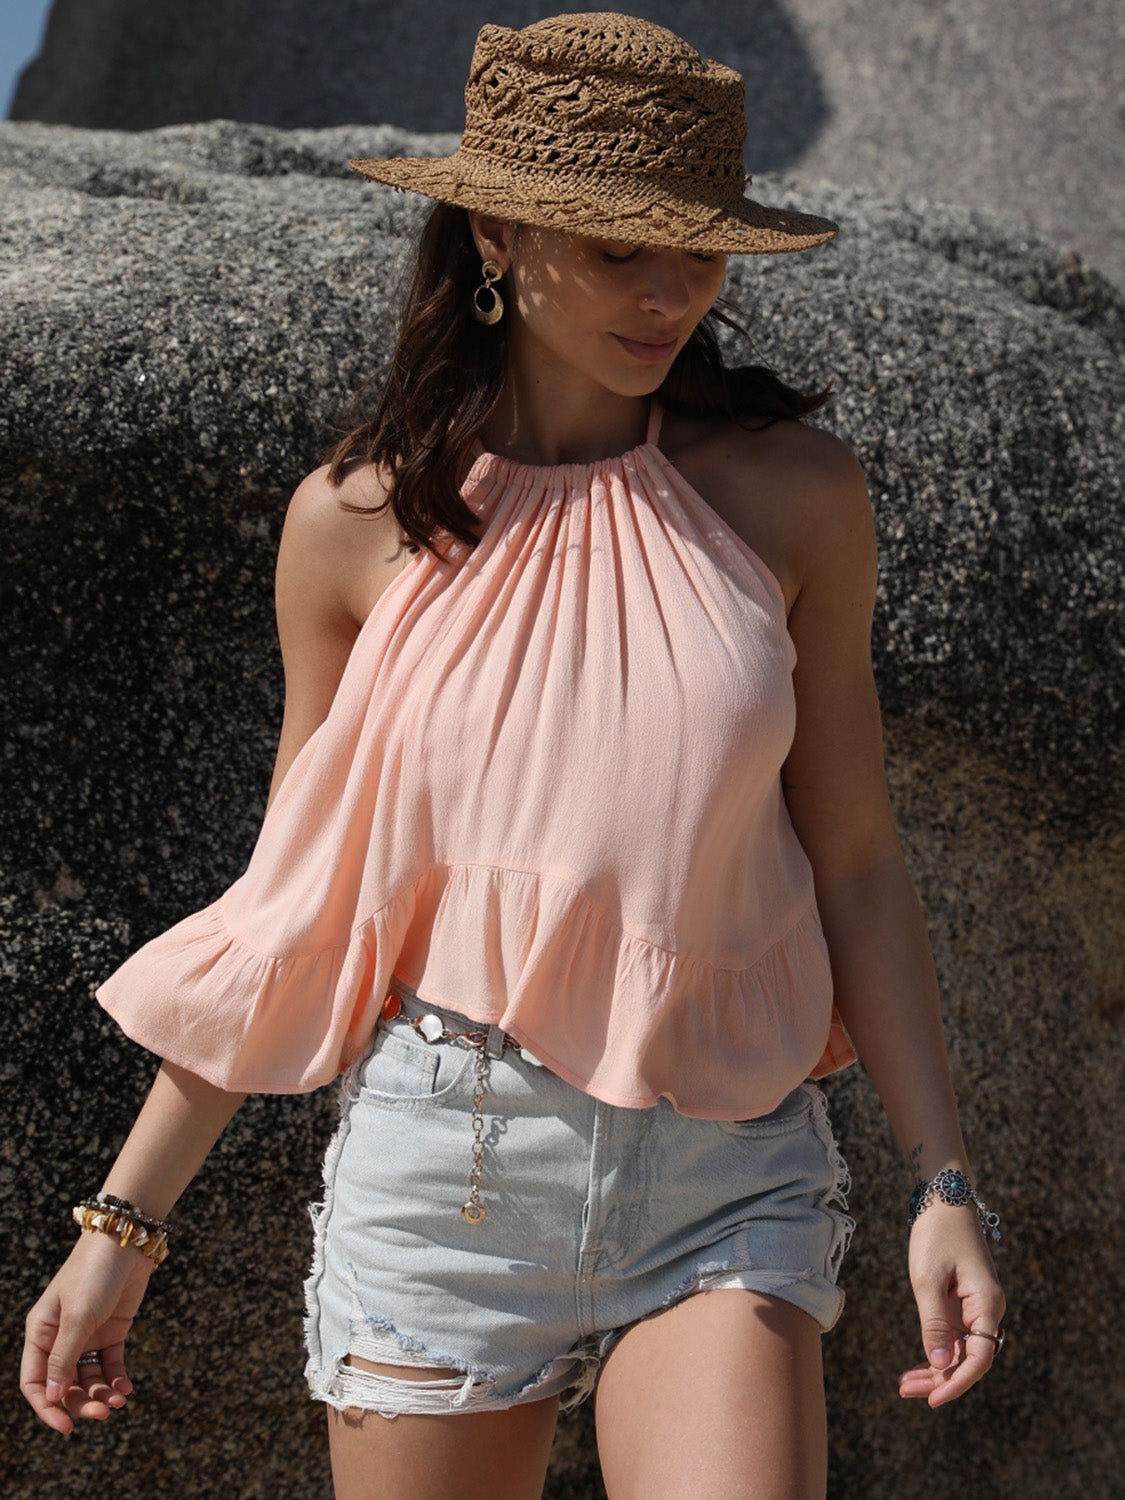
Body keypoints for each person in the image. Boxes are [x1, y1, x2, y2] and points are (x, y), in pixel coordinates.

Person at [21, 12, 1005, 1498]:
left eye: (700, 250)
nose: (670, 292)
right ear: (496, 229)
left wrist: (942, 1182)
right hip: (446, 1179)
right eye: (619, 249)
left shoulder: (792, 497)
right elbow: (293, 903)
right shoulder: (354, 528)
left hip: (724, 1174)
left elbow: (858, 856)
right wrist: (123, 1226)